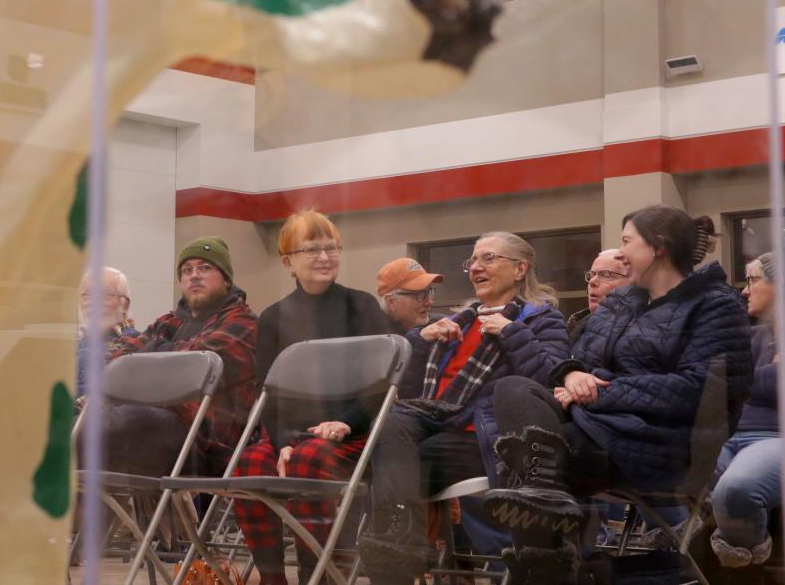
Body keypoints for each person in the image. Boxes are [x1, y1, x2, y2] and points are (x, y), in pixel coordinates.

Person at [483, 206, 752, 582]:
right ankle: (545, 531)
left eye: (627, 241)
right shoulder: (619, 304)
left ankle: (544, 564)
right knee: (512, 390)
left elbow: (701, 391)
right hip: (595, 427)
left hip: (664, 447)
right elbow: (581, 365)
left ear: (658, 246)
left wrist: (597, 393)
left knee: (518, 461)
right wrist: (572, 375)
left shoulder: (716, 306)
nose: (621, 251)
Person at [357, 232, 570, 583]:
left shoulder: (541, 319)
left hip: (484, 434)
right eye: (472, 260)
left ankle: (393, 570)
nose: (475, 267)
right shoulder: (459, 322)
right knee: (390, 425)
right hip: (436, 422)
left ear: (520, 269)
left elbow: (549, 381)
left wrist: (512, 332)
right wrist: (419, 342)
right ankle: (397, 559)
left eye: (488, 258)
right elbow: (408, 393)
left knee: (382, 468)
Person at [233, 209, 390, 585]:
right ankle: (272, 577)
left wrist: (345, 421)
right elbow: (269, 392)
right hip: (293, 434)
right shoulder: (273, 317)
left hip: (353, 431)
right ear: (288, 262)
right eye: (312, 250)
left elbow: (380, 384)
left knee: (307, 460)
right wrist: (283, 441)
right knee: (249, 466)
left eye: (331, 248)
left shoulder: (362, 306)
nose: (324, 257)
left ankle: (316, 576)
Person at [102, 237, 258, 475]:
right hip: (151, 422)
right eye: (187, 270)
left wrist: (149, 355)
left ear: (226, 279)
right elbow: (115, 360)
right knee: (68, 428)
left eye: (205, 267)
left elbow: (196, 369)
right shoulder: (168, 322)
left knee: (121, 425)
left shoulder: (243, 323)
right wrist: (163, 360)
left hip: (205, 443)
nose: (194, 275)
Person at [708, 251, 780, 577]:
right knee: (663, 466)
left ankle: (747, 557)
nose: (744, 290)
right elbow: (714, 385)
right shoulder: (753, 337)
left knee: (735, 489)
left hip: (774, 437)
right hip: (727, 435)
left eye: (751, 280)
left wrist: (745, 381)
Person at [75, 266, 139, 399]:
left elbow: (107, 398)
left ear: (125, 305)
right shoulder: (70, 345)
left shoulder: (136, 343)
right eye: (86, 295)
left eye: (104, 295)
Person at [567, 249, 632, 341]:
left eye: (606, 274)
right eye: (591, 275)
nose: (592, 281)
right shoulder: (575, 324)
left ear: (632, 283)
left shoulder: (644, 332)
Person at [377, 257, 444, 333]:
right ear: (391, 302)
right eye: (420, 294)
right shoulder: (374, 338)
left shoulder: (439, 323)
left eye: (429, 292)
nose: (429, 302)